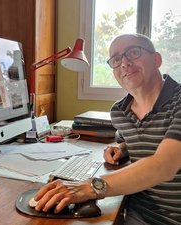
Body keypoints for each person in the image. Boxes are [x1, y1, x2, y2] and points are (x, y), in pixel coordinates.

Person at [33, 34, 181, 225]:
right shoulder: (119, 111)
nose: (125, 63)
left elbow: (165, 165)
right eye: (116, 59)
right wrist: (123, 148)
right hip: (134, 211)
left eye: (133, 52)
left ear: (157, 59)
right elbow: (141, 139)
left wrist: (89, 187)